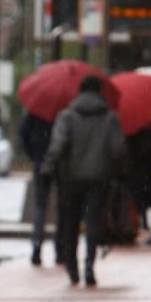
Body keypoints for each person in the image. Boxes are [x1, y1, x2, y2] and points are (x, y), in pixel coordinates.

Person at [42, 76, 127, 287]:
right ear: (99, 92)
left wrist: (48, 166)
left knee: (70, 223)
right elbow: (118, 149)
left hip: (71, 178)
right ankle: (89, 265)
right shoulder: (110, 118)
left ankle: (72, 268)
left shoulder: (67, 116)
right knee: (93, 222)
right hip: (99, 178)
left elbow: (58, 145)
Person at [20, 112, 63, 266]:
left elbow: (23, 132)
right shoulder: (63, 111)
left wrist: (34, 154)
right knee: (61, 207)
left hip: (40, 162)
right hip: (60, 164)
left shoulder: (35, 112)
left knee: (40, 207)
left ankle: (37, 249)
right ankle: (61, 249)